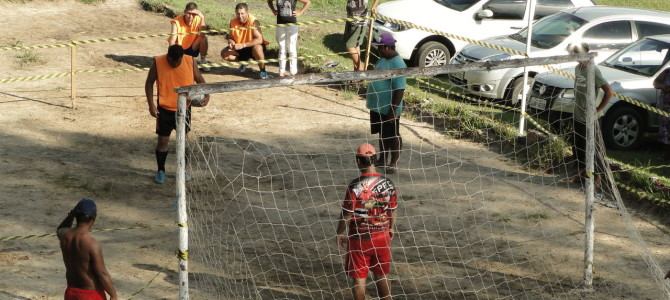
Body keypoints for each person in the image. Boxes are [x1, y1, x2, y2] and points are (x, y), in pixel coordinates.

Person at [336, 143, 398, 300]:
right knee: (382, 276)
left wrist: (340, 232)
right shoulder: (388, 183)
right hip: (382, 237)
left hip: (360, 239)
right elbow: (392, 209)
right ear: (375, 159)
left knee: (359, 280)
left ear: (358, 161)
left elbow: (347, 215)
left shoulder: (355, 186)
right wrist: (391, 228)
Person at [145, 44, 210, 184]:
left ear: (182, 57)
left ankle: (184, 169)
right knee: (163, 142)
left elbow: (199, 79)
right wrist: (151, 104)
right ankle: (161, 170)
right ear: (168, 56)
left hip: (184, 110)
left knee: (184, 142)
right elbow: (149, 82)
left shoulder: (190, 61)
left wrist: (207, 94)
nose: (174, 64)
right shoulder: (158, 62)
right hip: (164, 110)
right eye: (171, 61)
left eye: (177, 61)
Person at [569, 42, 613, 186]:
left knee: (592, 149)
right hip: (578, 114)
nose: (575, 57)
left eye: (578, 54)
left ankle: (597, 178)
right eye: (574, 54)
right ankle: (582, 174)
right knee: (578, 147)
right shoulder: (577, 68)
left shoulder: (593, 70)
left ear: (586, 53)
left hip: (590, 118)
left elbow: (608, 91)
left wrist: (598, 109)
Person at [58, 198, 118, 300]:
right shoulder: (92, 244)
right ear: (92, 219)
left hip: (71, 292)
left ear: (76, 216)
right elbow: (102, 273)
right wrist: (113, 295)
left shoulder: (64, 235)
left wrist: (71, 215)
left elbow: (61, 228)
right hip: (90, 294)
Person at [366, 32, 406, 174]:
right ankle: (383, 159)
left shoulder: (398, 64)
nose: (378, 50)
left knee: (393, 135)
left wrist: (392, 111)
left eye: (380, 48)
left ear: (387, 47)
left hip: (389, 108)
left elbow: (399, 89)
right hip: (378, 107)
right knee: (382, 134)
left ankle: (393, 162)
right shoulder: (383, 59)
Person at [221, 3, 271, 79]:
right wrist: (231, 42)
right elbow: (230, 37)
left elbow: (259, 39)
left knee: (257, 48)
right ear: (235, 13)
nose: (240, 16)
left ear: (247, 12)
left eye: (242, 13)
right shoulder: (232, 22)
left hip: (252, 46)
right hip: (240, 47)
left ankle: (263, 71)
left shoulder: (253, 21)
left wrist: (243, 45)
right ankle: (244, 62)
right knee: (225, 54)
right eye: (238, 14)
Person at [267, 0, 311, 77]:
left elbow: (307, 2)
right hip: (280, 25)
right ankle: (281, 72)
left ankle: (293, 72)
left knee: (291, 47)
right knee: (282, 47)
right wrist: (273, 10)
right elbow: (269, 1)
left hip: (292, 24)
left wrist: (300, 12)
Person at [168, 2, 209, 67]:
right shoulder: (176, 21)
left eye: (193, 14)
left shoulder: (198, 19)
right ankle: (175, 58)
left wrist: (202, 18)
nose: (191, 17)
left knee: (204, 38)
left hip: (193, 47)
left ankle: (203, 60)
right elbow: (172, 40)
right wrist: (171, 55)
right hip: (179, 49)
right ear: (184, 12)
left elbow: (203, 34)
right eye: (189, 13)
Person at [344, 0, 376, 71]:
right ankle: (356, 72)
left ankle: (361, 69)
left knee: (349, 46)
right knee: (356, 45)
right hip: (351, 17)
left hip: (360, 21)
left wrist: (374, 7)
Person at [653, 67, 670, 159]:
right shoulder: (667, 72)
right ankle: (665, 154)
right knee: (665, 130)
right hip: (665, 108)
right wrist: (664, 87)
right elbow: (655, 83)